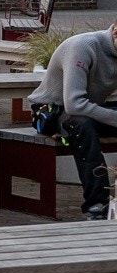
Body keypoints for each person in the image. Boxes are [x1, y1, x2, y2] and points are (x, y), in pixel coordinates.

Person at [27, 22, 117, 220]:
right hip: (50, 111)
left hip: (87, 110)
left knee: (86, 121)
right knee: (82, 125)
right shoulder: (83, 47)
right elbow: (74, 104)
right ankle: (97, 205)